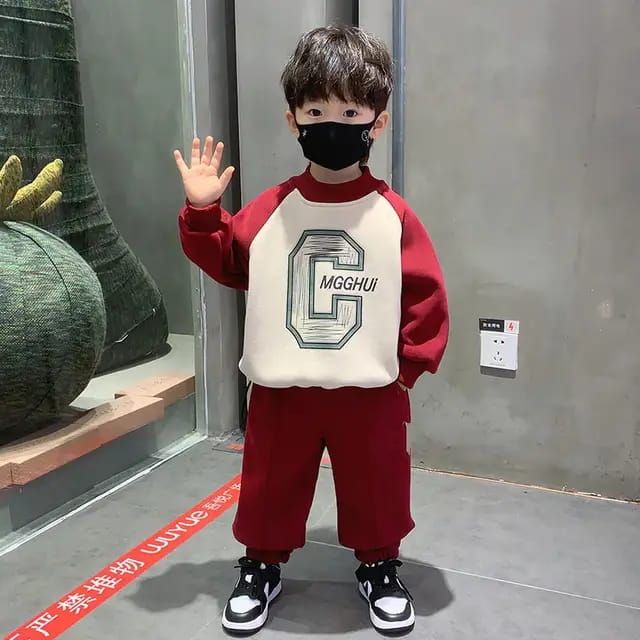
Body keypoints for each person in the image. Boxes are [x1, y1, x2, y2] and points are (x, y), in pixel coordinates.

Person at [175, 25, 449, 636]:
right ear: (294, 119)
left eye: (350, 112)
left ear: (377, 121)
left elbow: (426, 295)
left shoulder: (393, 214)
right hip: (282, 385)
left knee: (377, 482)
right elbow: (228, 257)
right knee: (270, 482)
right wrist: (202, 210)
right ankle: (260, 565)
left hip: (369, 389)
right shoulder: (273, 207)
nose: (333, 124)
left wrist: (404, 371)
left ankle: (379, 565)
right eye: (316, 111)